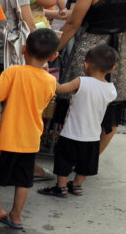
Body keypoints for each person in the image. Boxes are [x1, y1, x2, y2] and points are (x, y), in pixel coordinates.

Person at [0, 29, 59, 231]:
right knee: (23, 179)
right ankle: (16, 216)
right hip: (31, 141)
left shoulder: (14, 72)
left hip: (7, 139)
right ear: (53, 56)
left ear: (23, 49)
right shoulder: (50, 81)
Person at [57, 0, 126, 153]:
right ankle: (90, 161)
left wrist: (55, 50)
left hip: (92, 49)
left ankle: (71, 158)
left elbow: (72, 24)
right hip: (121, 51)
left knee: (78, 101)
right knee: (112, 105)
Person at [40, 44, 118, 198]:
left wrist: (46, 74)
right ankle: (77, 186)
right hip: (93, 136)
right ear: (112, 69)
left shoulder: (80, 81)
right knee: (85, 164)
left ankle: (61, 187)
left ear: (86, 65)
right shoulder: (111, 90)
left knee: (64, 160)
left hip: (71, 134)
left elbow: (60, 89)